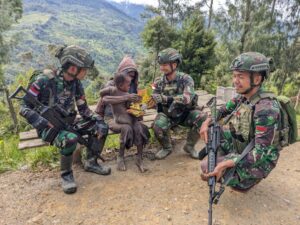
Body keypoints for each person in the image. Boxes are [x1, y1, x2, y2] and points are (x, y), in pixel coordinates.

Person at [20, 45, 111, 194]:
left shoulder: (76, 84)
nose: (86, 72)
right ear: (73, 68)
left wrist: (98, 119)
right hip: (48, 127)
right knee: (70, 138)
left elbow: (84, 109)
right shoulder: (43, 80)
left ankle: (91, 162)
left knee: (101, 126)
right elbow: (24, 107)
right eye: (84, 69)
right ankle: (66, 176)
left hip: (67, 122)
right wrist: (41, 121)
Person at [200, 52, 280, 191]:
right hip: (243, 144)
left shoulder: (266, 109)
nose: (235, 81)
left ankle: (247, 181)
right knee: (213, 133)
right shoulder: (243, 96)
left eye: (240, 77)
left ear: (256, 79)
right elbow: (222, 111)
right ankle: (222, 159)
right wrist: (206, 122)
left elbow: (261, 153)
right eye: (234, 76)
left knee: (213, 170)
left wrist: (226, 164)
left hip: (260, 159)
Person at [151, 48, 207, 160]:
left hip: (185, 114)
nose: (162, 67)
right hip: (168, 115)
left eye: (165, 64)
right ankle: (167, 147)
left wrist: (167, 98)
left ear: (175, 64)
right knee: (157, 126)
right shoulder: (158, 82)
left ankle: (189, 146)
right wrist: (152, 99)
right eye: (161, 64)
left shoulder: (186, 79)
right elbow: (154, 97)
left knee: (202, 117)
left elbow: (187, 98)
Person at [98, 72, 150, 173]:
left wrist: (140, 106)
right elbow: (103, 98)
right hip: (118, 121)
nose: (130, 86)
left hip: (129, 120)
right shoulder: (112, 90)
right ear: (120, 85)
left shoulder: (128, 95)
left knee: (139, 128)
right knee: (126, 128)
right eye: (128, 85)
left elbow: (130, 107)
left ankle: (139, 157)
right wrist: (126, 98)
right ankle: (120, 156)